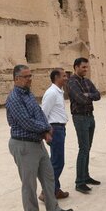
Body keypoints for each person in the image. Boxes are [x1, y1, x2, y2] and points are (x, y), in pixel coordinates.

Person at [7, 65, 74, 211]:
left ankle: (53, 210)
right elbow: (26, 121)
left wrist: (45, 128)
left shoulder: (28, 94)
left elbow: (39, 113)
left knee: (49, 176)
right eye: (26, 76)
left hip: (37, 143)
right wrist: (46, 129)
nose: (30, 79)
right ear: (16, 79)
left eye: (30, 76)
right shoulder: (14, 99)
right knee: (29, 183)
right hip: (23, 145)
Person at [67, 57, 101, 194]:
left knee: (87, 148)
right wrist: (88, 95)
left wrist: (88, 94)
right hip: (80, 118)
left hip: (90, 117)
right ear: (76, 67)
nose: (86, 70)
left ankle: (86, 176)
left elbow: (98, 95)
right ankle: (79, 182)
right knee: (83, 148)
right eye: (83, 67)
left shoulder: (87, 81)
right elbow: (80, 99)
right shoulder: (71, 82)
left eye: (87, 67)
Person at [38, 68, 70, 202]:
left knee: (56, 161)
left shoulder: (58, 92)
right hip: (54, 130)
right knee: (57, 163)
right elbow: (43, 113)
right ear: (57, 78)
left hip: (60, 129)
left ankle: (55, 190)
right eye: (64, 76)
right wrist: (46, 131)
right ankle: (46, 192)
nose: (66, 78)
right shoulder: (51, 93)